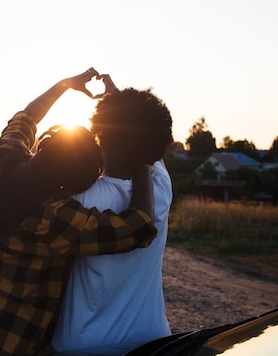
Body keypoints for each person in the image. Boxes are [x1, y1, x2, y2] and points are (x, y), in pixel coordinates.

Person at [0, 68, 159, 356]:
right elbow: (139, 228)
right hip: (3, 343)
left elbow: (26, 117)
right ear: (71, 182)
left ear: (42, 148)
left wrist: (65, 85)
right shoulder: (52, 219)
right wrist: (144, 167)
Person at [52, 75, 174, 354]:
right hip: (154, 342)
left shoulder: (78, 199)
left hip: (85, 345)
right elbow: (147, 138)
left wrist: (110, 104)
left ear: (100, 136)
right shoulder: (160, 189)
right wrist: (115, 100)